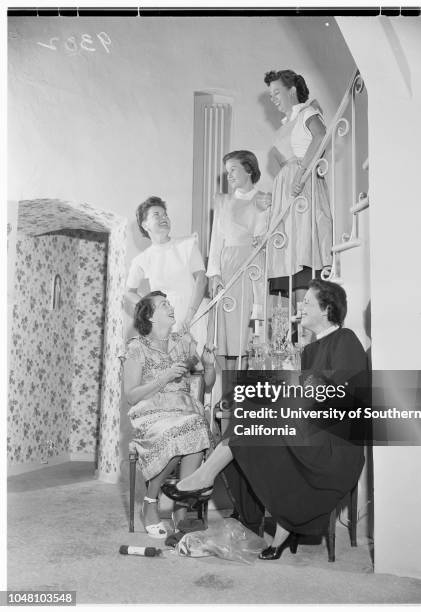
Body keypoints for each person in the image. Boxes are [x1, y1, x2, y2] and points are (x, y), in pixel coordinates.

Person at [162, 279, 367, 560]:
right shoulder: (309, 350)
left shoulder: (346, 339)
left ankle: (205, 477)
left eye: (307, 301)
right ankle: (263, 520)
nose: (301, 306)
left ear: (327, 308)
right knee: (249, 415)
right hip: (310, 434)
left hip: (336, 445)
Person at [123, 290, 216, 538]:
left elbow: (208, 382)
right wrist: (163, 377)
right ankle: (150, 501)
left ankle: (181, 509)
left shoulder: (183, 342)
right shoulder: (137, 348)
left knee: (194, 423)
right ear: (151, 317)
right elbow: (131, 395)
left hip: (184, 410)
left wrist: (208, 365)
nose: (171, 307)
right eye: (164, 305)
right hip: (152, 414)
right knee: (182, 429)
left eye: (169, 303)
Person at [264, 69, 333, 307]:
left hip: (302, 188)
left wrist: (302, 172)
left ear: (292, 90)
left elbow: (321, 135)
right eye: (270, 95)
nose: (273, 99)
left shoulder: (308, 112)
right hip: (288, 193)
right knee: (290, 254)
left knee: (304, 250)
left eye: (276, 92)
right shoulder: (286, 123)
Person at [207, 150, 270, 370]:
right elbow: (216, 240)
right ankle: (229, 392)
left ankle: (250, 387)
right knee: (229, 332)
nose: (229, 175)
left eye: (233, 169)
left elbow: (265, 236)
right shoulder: (223, 201)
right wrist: (214, 273)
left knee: (252, 330)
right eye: (227, 172)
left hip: (255, 267)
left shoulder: (264, 198)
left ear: (249, 169)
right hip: (229, 267)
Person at [125, 196, 208, 353]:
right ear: (145, 224)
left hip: (193, 313)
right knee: (170, 369)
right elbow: (129, 292)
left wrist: (189, 316)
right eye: (157, 214)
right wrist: (150, 309)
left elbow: (201, 280)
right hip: (166, 320)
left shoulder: (187, 244)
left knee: (197, 369)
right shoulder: (142, 259)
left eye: (165, 214)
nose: (163, 218)